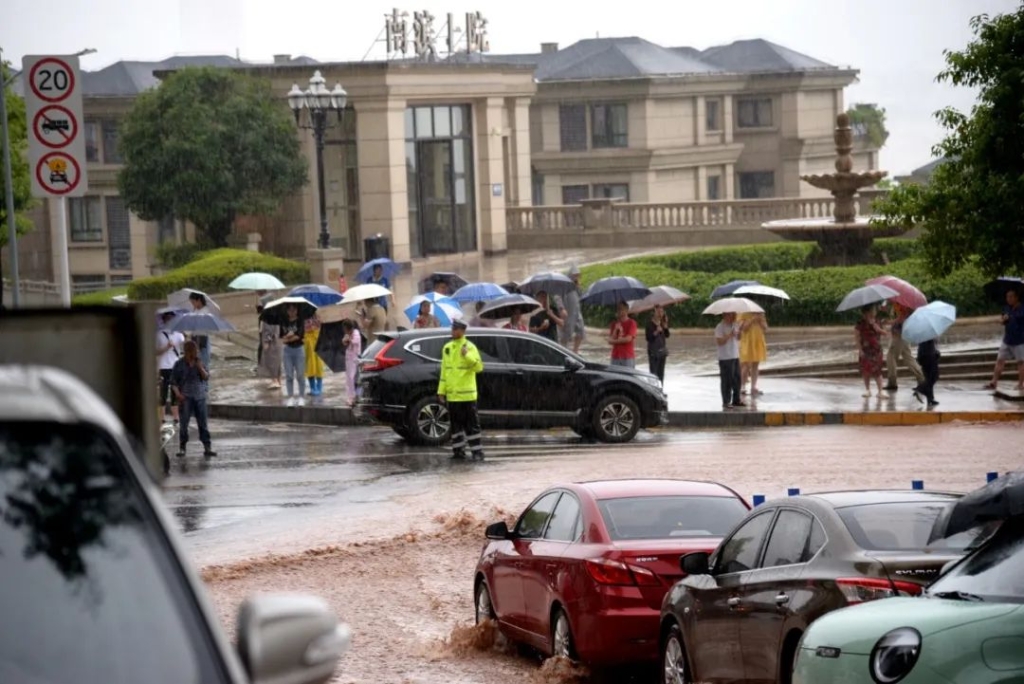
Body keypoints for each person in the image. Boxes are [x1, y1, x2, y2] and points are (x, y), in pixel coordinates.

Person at [438, 319, 485, 461]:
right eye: (452, 328)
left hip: (467, 396)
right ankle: (458, 452)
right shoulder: (448, 347)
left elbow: (479, 367)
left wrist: (467, 355)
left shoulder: (470, 347)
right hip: (453, 396)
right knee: (456, 427)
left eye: (455, 329)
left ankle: (477, 453)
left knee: (471, 426)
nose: (452, 331)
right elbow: (444, 371)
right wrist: (441, 391)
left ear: (462, 331)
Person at [170, 339, 216, 458]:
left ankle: (207, 447)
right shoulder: (179, 364)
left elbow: (206, 377)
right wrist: (178, 394)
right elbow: (173, 382)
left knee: (203, 424)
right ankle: (182, 447)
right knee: (184, 424)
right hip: (186, 397)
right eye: (191, 351)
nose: (194, 354)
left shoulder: (199, 362)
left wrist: (200, 367)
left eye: (195, 351)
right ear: (186, 352)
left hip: (200, 397)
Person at [985, 288, 1024, 391]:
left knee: (1021, 362)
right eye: (1007, 297)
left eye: (1011, 296)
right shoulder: (1007, 308)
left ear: (1016, 297)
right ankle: (994, 381)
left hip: (1019, 340)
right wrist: (1002, 320)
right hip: (1007, 339)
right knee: (1000, 360)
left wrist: (1010, 317)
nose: (1009, 299)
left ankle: (1021, 384)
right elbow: (1003, 320)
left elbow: (1018, 318)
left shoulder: (1022, 308)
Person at [884, 302, 924, 391]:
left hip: (899, 335)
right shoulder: (902, 303)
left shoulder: (903, 304)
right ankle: (921, 379)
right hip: (904, 334)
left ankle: (892, 382)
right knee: (908, 358)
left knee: (891, 357)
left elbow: (902, 317)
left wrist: (891, 322)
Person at [156, 311, 184, 423]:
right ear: (164, 320)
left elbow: (186, 344)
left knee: (175, 392)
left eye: (172, 319)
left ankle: (176, 417)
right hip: (163, 366)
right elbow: (155, 352)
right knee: (163, 393)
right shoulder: (158, 335)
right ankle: (162, 418)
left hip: (175, 366)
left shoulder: (179, 335)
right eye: (168, 318)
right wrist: (166, 348)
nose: (170, 321)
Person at [855, 304, 888, 398]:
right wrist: (860, 350)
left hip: (876, 350)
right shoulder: (860, 323)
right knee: (866, 371)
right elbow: (857, 337)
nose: (875, 312)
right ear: (866, 313)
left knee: (877, 370)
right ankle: (867, 390)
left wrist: (877, 328)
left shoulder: (878, 321)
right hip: (865, 350)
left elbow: (885, 333)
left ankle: (880, 391)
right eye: (873, 310)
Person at [715, 312, 744, 409]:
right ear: (725, 315)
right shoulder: (720, 327)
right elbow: (720, 342)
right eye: (731, 315)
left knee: (737, 379)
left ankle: (736, 399)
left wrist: (740, 333)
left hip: (735, 355)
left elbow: (739, 338)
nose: (733, 317)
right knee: (727, 380)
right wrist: (729, 335)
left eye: (734, 315)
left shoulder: (735, 325)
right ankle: (726, 401)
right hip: (725, 357)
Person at [280, 303, 306, 406]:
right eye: (290, 310)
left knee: (300, 375)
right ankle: (290, 397)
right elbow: (282, 339)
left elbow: (299, 336)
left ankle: (301, 397)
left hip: (299, 350)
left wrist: (290, 337)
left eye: (294, 310)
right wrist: (289, 336)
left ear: (297, 310)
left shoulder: (300, 321)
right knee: (289, 375)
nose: (292, 312)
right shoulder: (283, 322)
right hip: (287, 351)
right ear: (287, 311)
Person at [739, 312, 768, 396]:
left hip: (758, 340)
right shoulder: (742, 313)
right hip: (747, 341)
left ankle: (753, 387)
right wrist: (752, 319)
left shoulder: (761, 313)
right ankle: (742, 386)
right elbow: (743, 328)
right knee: (746, 364)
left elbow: (765, 328)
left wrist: (760, 321)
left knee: (755, 364)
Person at [558, 266, 586, 353]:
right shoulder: (563, 285)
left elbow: (581, 296)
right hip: (568, 312)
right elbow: (557, 296)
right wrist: (561, 308)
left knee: (581, 331)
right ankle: (564, 351)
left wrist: (578, 287)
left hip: (577, 312)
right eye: (575, 275)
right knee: (566, 334)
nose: (576, 277)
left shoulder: (576, 286)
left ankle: (575, 351)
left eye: (578, 275)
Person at [256, 305, 282, 390]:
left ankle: (275, 380)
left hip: (272, 344)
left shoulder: (267, 319)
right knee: (277, 362)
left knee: (271, 362)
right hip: (278, 343)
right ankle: (278, 380)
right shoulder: (277, 317)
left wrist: (266, 342)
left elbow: (268, 332)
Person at [607, 301, 638, 367]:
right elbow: (610, 339)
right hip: (615, 356)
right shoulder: (614, 324)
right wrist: (615, 330)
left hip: (627, 356)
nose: (620, 311)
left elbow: (628, 339)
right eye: (618, 309)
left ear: (627, 310)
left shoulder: (632, 323)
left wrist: (614, 341)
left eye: (622, 308)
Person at [645, 304, 670, 383]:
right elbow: (648, 338)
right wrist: (656, 332)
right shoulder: (649, 324)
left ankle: (660, 391)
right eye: (658, 311)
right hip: (653, 352)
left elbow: (667, 335)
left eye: (662, 311)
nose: (660, 313)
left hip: (662, 351)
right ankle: (653, 391)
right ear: (654, 312)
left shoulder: (662, 323)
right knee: (653, 374)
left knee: (661, 374)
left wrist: (665, 327)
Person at [188, 292, 212, 371]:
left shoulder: (206, 311)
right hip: (195, 338)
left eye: (193, 302)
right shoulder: (195, 311)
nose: (193, 304)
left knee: (203, 362)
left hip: (202, 338)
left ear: (199, 300)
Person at [913, 338, 941, 407]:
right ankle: (920, 389)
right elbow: (933, 341)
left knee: (928, 377)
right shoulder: (929, 333)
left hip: (922, 355)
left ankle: (930, 399)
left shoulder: (921, 332)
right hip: (929, 354)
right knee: (934, 376)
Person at [342, 318, 362, 407]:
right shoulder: (348, 334)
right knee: (349, 378)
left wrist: (349, 339)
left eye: (345, 328)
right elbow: (344, 342)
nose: (344, 331)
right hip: (349, 358)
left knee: (352, 377)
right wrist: (345, 340)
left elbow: (355, 341)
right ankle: (352, 396)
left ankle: (353, 396)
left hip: (354, 358)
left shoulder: (356, 333)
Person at [304, 314, 325, 397]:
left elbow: (319, 325)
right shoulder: (303, 316)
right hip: (307, 341)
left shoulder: (316, 316)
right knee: (309, 365)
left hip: (316, 340)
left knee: (318, 365)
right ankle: (313, 387)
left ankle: (319, 387)